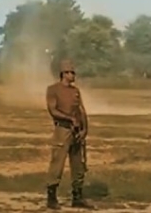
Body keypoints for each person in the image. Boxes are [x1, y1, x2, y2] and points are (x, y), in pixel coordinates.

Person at [45, 59, 93, 209]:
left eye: (73, 72)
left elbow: (81, 110)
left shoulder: (75, 91)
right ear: (63, 74)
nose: (73, 75)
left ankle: (77, 197)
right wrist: (70, 118)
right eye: (70, 72)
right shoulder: (53, 89)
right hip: (63, 130)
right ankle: (52, 197)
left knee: (78, 165)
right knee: (57, 164)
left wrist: (85, 129)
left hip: (76, 132)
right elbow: (53, 110)